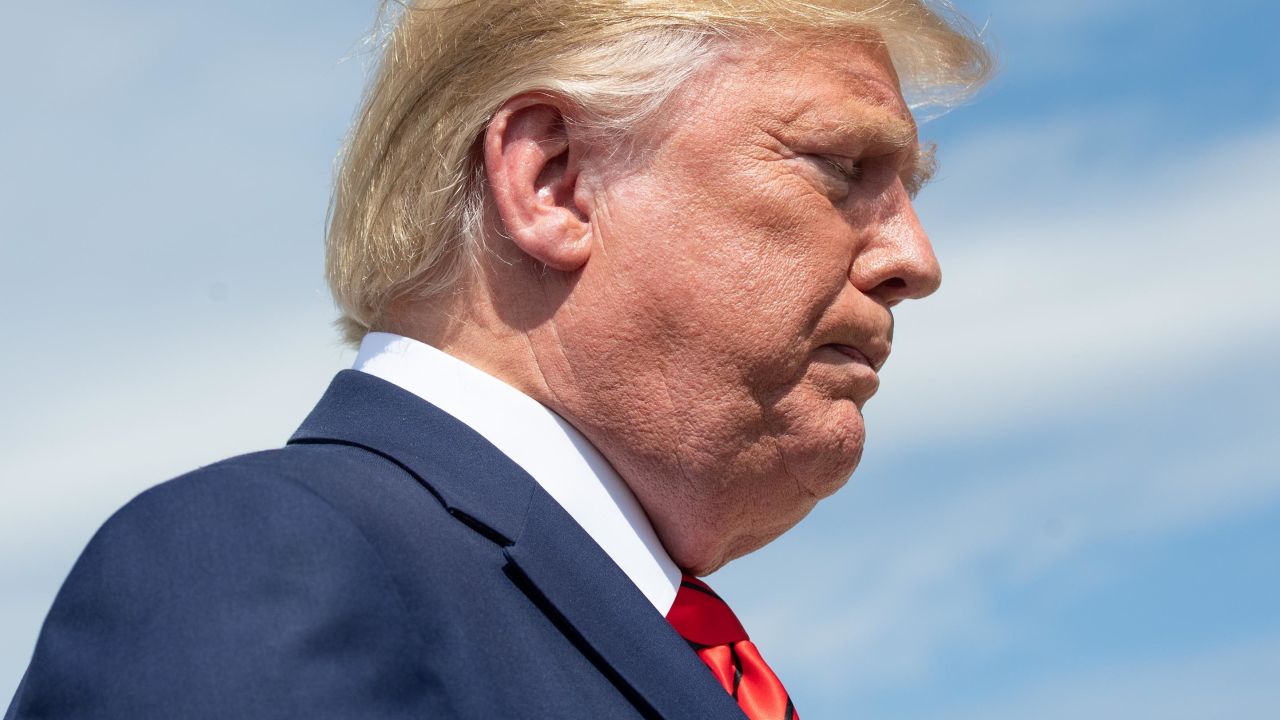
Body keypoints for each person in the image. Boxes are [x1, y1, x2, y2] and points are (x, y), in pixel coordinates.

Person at [6, 1, 990, 718]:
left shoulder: (646, 643)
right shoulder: (271, 560)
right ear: (552, 182)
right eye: (838, 169)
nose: (914, 259)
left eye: (907, 187)